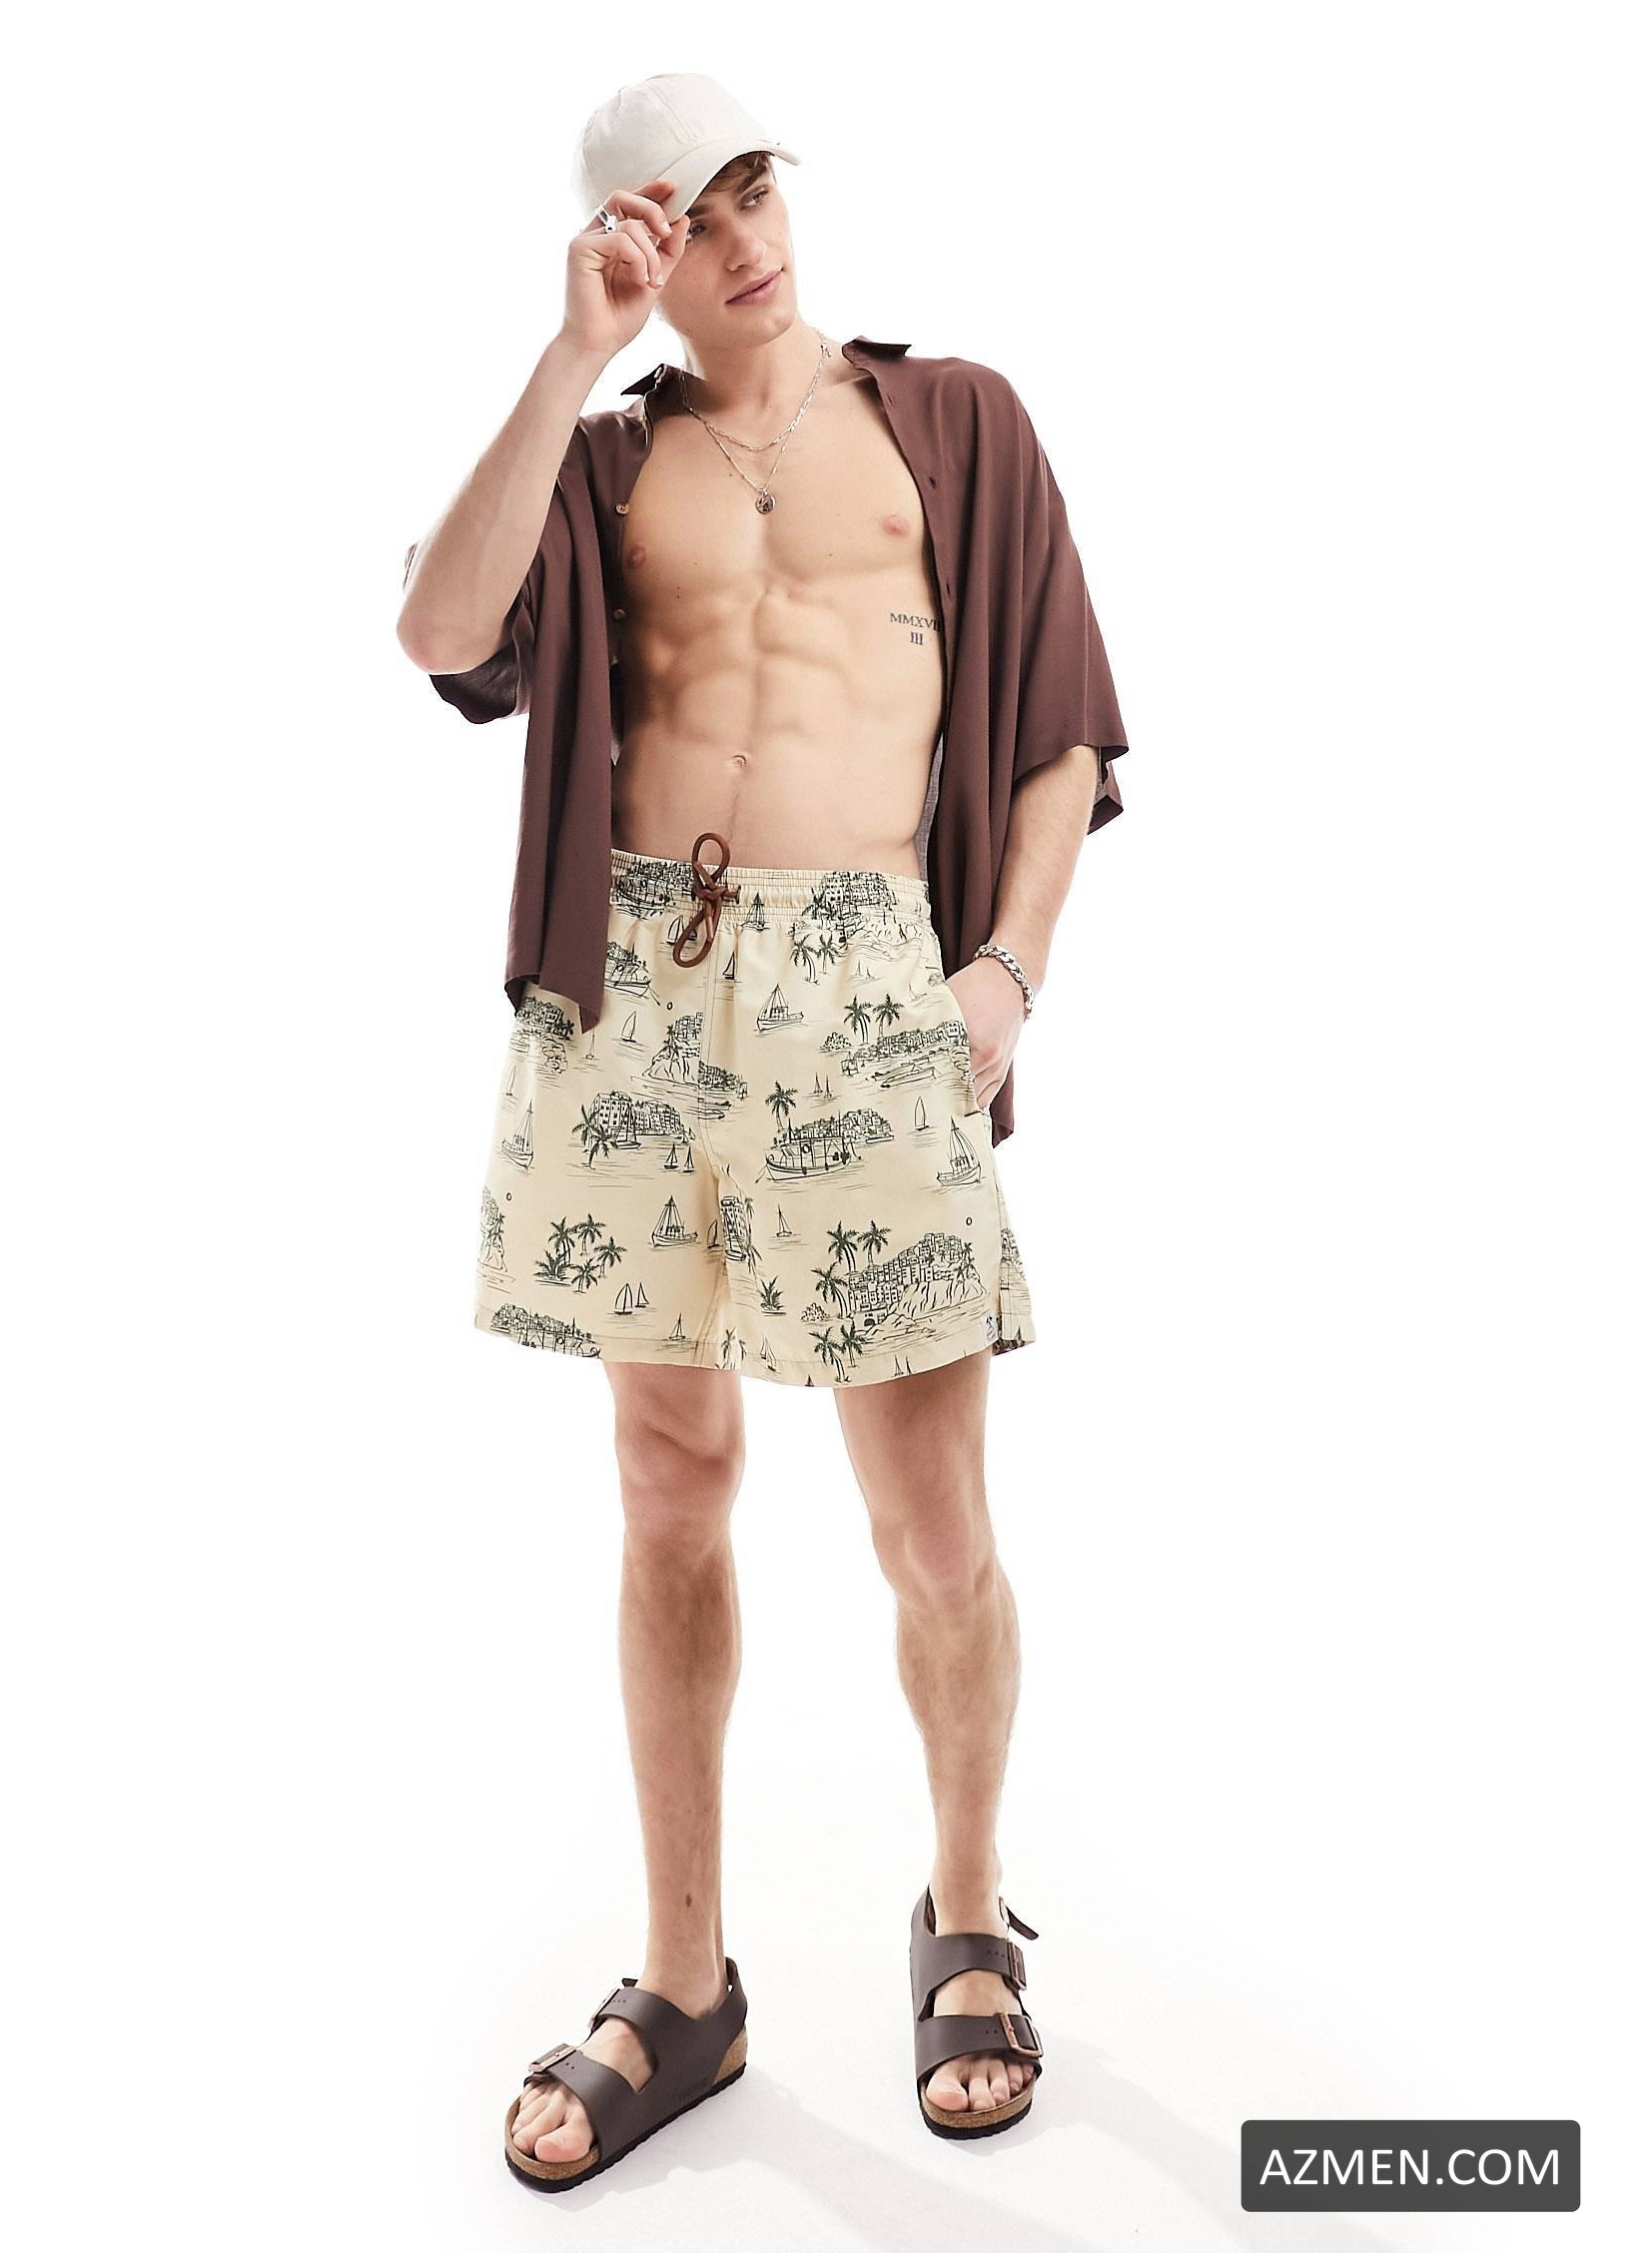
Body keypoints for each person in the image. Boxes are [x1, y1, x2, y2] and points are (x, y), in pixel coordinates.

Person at [397, 72, 1129, 2189]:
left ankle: (968, 1918)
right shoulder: (603, 459)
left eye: (748, 193)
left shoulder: (953, 423)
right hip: (636, 988)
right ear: (628, 249)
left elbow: (1061, 729)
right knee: (667, 1484)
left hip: (864, 986)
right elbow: (440, 637)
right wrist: (570, 354)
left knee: (931, 1521)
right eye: (678, 219)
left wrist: (1003, 973)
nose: (732, 242)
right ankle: (686, 1983)